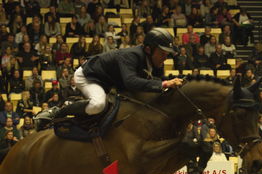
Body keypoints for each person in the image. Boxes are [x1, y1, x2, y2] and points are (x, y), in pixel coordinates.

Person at [37, 28, 183, 123]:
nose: (165, 58)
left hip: (109, 82)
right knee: (98, 105)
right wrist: (164, 84)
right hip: (89, 76)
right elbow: (131, 82)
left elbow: (155, 82)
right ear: (148, 49)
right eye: (162, 53)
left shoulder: (156, 62)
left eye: (167, 54)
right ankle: (58, 111)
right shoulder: (131, 55)